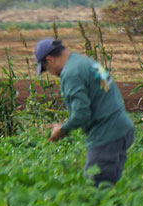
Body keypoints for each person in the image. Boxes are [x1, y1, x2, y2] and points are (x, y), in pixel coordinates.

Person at [34, 38, 135, 186]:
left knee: (96, 185)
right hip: (122, 128)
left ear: (50, 60)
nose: (50, 73)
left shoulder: (71, 74)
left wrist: (63, 129)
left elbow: (82, 113)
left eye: (46, 69)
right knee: (110, 184)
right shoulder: (85, 62)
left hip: (106, 134)